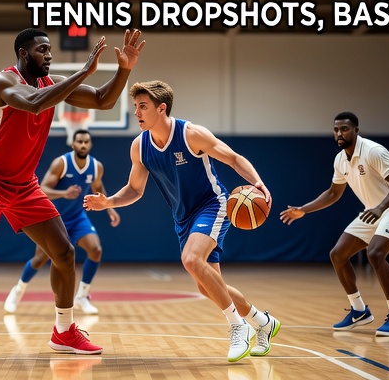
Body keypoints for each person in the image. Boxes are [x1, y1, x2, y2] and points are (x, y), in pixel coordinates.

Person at [0, 28, 145, 366]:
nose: (49, 55)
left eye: (50, 50)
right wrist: (83, 70)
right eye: (43, 50)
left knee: (65, 253)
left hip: (24, 184)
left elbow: (104, 100)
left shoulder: (50, 82)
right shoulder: (2, 82)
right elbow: (36, 104)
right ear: (24, 54)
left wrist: (124, 69)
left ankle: (64, 330)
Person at [83, 80, 280, 363]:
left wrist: (258, 182)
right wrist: (109, 202)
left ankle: (238, 327)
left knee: (190, 259)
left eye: (143, 106)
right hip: (183, 217)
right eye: (135, 106)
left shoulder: (191, 134)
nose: (136, 112)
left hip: (213, 205)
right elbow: (135, 189)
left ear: (161, 108)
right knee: (205, 284)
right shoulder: (139, 146)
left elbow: (234, 159)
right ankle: (263, 322)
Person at [278, 112, 389, 338]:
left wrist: (380, 208)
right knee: (338, 254)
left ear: (356, 130)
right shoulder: (340, 159)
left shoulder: (373, 151)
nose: (339, 133)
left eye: (344, 129)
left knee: (375, 253)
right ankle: (359, 311)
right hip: (373, 211)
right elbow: (333, 193)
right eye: (336, 130)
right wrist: (304, 209)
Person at [5, 129, 121, 315]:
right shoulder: (61, 163)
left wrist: (110, 208)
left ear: (90, 144)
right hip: (54, 219)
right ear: (73, 144)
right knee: (39, 259)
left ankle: (82, 296)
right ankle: (18, 290)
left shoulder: (96, 166)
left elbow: (98, 187)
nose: (83, 145)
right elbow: (42, 189)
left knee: (95, 249)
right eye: (79, 142)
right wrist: (64, 193)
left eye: (86, 142)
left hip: (77, 217)